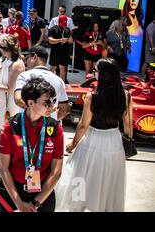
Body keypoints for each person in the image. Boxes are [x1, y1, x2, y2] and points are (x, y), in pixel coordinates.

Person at [56, 58, 131, 211]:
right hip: (114, 142)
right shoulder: (125, 95)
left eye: (96, 70)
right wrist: (128, 145)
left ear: (102, 74)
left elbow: (83, 125)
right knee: (108, 180)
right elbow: (128, 125)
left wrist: (73, 143)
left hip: (93, 140)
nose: (93, 72)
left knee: (81, 177)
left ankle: (80, 206)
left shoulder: (92, 96)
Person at [0, 77, 64, 212]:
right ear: (30, 103)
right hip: (14, 191)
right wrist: (19, 204)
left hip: (43, 194)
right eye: (46, 102)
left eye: (52, 101)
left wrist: (36, 203)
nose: (51, 106)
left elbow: (56, 171)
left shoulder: (55, 128)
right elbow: (3, 168)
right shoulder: (10, 127)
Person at [14, 46, 70, 121]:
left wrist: (39, 112)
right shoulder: (59, 80)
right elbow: (65, 109)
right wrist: (52, 120)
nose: (25, 61)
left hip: (27, 126)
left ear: (34, 57)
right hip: (49, 129)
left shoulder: (24, 76)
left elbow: (18, 99)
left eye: (27, 58)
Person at [48, 15, 73, 82]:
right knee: (53, 68)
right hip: (55, 51)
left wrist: (69, 40)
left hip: (64, 52)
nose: (64, 25)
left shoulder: (67, 29)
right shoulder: (53, 29)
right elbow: (50, 40)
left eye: (65, 23)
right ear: (59, 22)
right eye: (63, 23)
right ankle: (49, 83)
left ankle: (62, 84)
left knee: (63, 69)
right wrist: (60, 40)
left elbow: (71, 41)